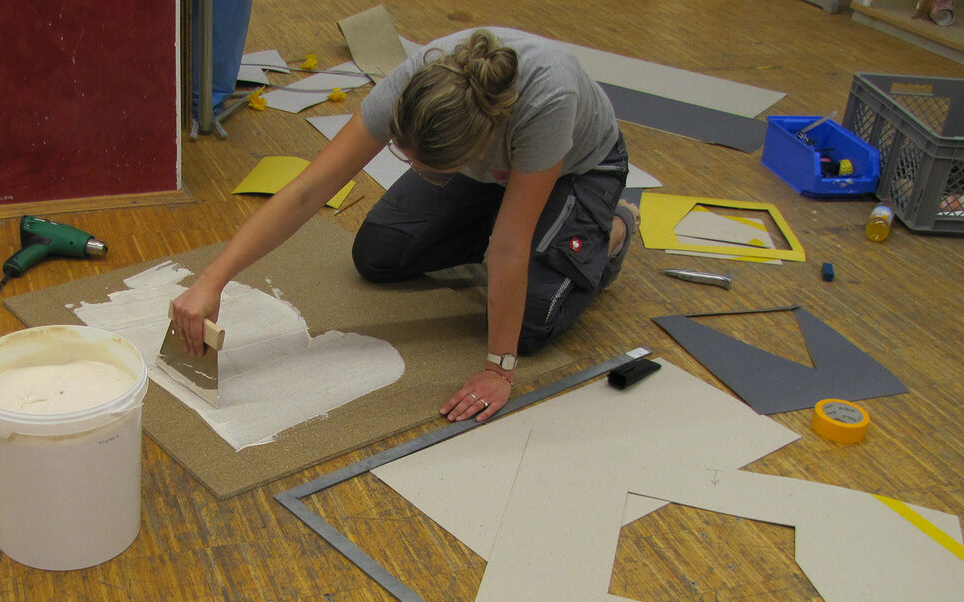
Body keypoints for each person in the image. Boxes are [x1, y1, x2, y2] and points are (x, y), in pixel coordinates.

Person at [170, 27, 632, 423]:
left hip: (576, 170)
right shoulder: (415, 87)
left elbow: (510, 248)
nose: (410, 168)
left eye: (421, 163)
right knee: (379, 252)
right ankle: (506, 220)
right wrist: (212, 280)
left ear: (471, 148)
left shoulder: (548, 102)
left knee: (529, 324)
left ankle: (610, 232)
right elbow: (307, 192)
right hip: (487, 173)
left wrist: (498, 370)